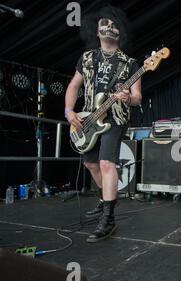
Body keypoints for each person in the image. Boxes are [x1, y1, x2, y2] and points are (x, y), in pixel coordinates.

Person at [64, 6, 142, 243]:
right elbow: (73, 87)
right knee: (91, 165)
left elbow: (137, 97)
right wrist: (69, 112)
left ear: (121, 32)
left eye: (114, 24)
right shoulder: (87, 58)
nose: (109, 26)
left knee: (107, 163)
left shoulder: (130, 63)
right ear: (96, 31)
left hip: (115, 118)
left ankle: (108, 219)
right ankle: (103, 198)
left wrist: (128, 97)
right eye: (104, 23)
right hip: (89, 118)